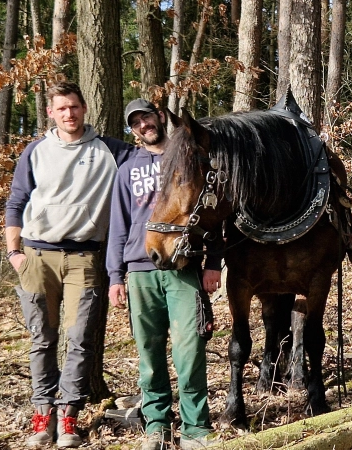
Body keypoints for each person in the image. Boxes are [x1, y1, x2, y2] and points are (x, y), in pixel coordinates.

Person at [5, 81, 135, 448]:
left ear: (84, 108)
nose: (69, 114)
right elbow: (16, 203)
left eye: (74, 107)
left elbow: (154, 156)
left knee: (79, 341)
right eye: (61, 108)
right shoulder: (35, 151)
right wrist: (15, 253)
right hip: (36, 258)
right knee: (41, 340)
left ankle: (68, 419)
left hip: (85, 259)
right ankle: (41, 418)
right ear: (51, 112)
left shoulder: (112, 151)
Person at [107, 99, 222, 450]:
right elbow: (117, 224)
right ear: (132, 130)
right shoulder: (127, 168)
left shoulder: (187, 157)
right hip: (140, 272)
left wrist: (213, 263)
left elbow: (211, 208)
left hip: (183, 269)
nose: (144, 126)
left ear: (160, 117)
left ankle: (196, 429)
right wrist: (115, 275)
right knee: (150, 353)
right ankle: (156, 425)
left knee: (190, 351)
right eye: (136, 123)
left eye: (148, 117)